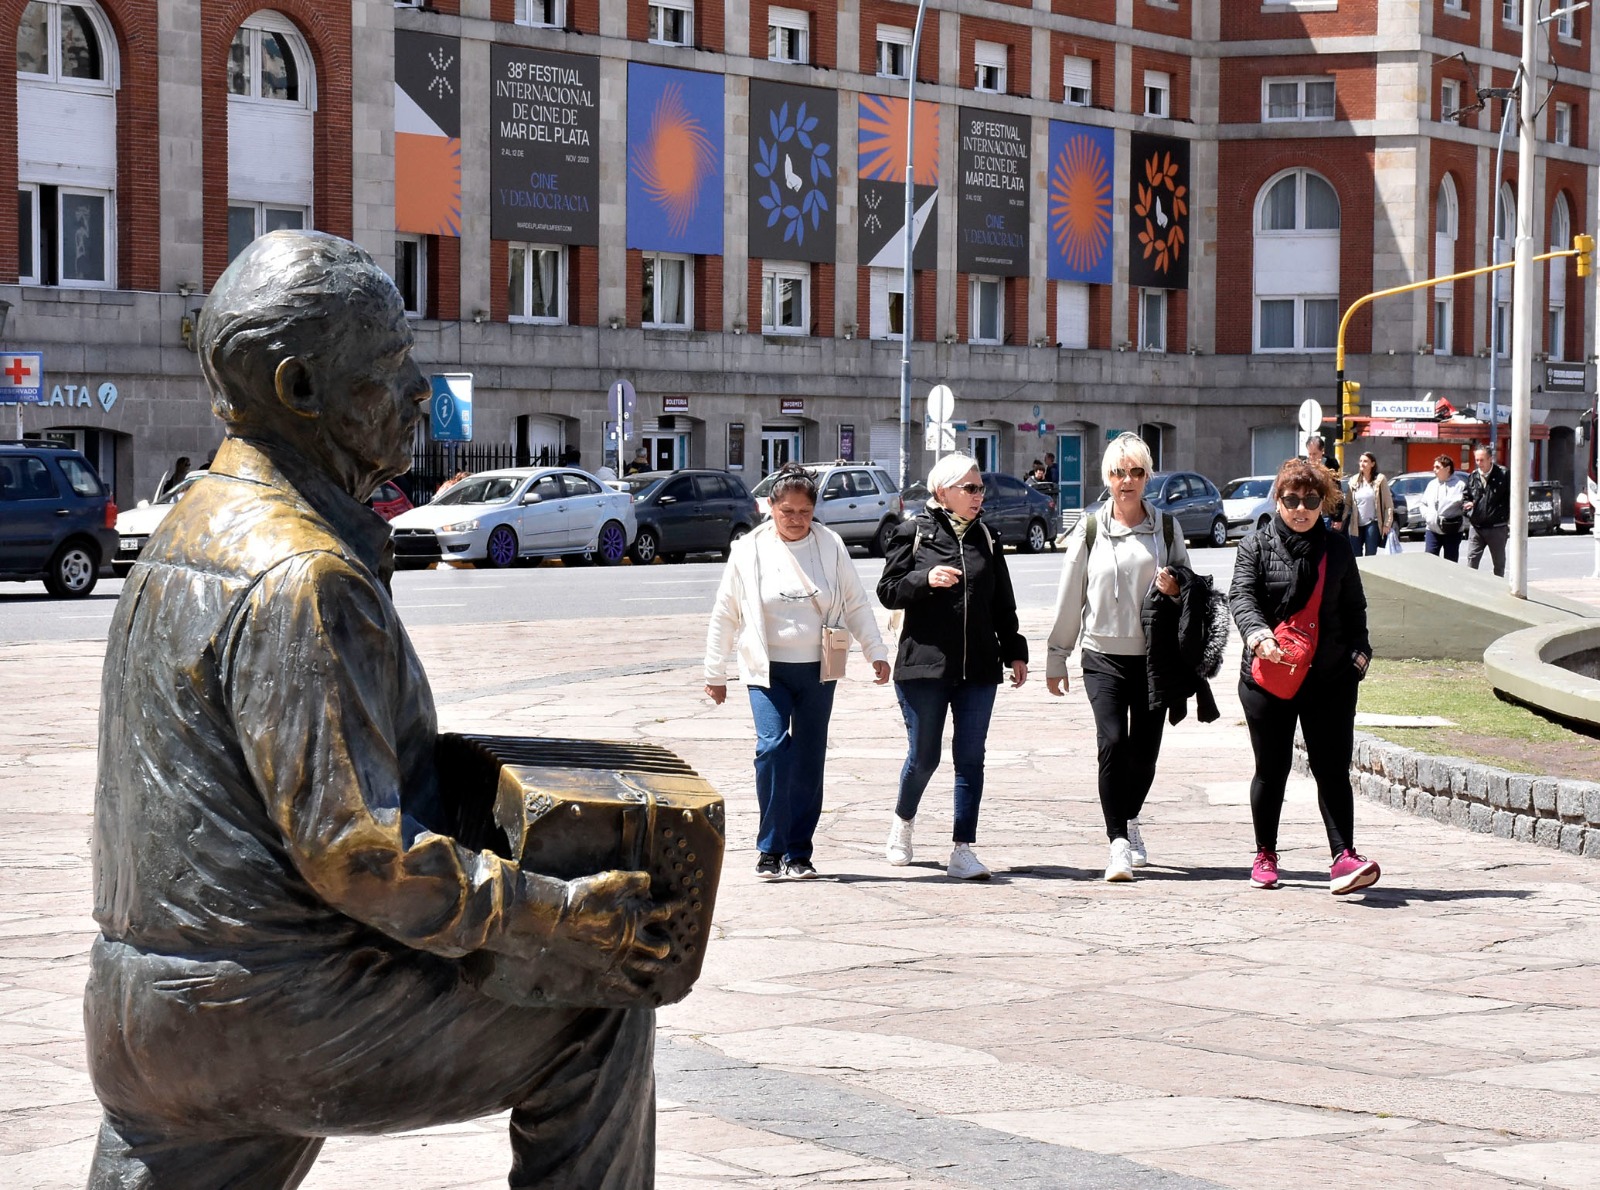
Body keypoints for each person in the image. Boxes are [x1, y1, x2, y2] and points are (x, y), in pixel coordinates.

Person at [85, 231, 669, 1188]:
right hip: (264, 1013)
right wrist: (558, 918)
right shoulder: (304, 574)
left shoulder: (186, 533)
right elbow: (361, 855)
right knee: (598, 1009)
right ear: (300, 389)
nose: (420, 392)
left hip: (140, 1011)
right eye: (390, 365)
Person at [704, 463, 891, 880]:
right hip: (766, 669)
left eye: (804, 512)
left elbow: (856, 602)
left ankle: (798, 851)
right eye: (786, 511)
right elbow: (725, 613)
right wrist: (714, 671)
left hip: (818, 668)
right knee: (772, 749)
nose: (795, 520)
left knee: (808, 758)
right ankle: (769, 847)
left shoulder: (831, 545)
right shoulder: (748, 549)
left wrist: (874, 650)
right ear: (769, 507)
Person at [1229, 456, 1379, 896]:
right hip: (1268, 677)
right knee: (1270, 770)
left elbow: (1355, 608)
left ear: (1322, 502)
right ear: (1278, 499)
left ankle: (1344, 857)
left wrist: (1358, 657)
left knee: (1332, 769)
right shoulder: (1254, 546)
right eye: (1292, 499)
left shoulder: (1336, 548)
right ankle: (1265, 853)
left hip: (1329, 677)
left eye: (1310, 500)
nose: (1301, 509)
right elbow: (1242, 597)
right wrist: (1258, 636)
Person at [877, 453, 1028, 880]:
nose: (979, 496)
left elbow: (1003, 602)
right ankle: (903, 823)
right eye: (971, 488)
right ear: (943, 492)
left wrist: (1015, 650)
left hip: (979, 667)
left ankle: (963, 849)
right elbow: (888, 590)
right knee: (924, 757)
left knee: (971, 758)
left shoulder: (987, 538)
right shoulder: (912, 533)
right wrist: (925, 581)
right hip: (924, 666)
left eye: (981, 489)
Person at [1045, 432, 1189, 881]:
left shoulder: (1166, 527)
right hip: (1101, 654)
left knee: (1144, 754)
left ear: (1148, 476)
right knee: (1112, 743)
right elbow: (1070, 596)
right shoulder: (1089, 529)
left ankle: (1130, 817)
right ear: (1106, 477)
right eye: (1118, 472)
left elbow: (1191, 586)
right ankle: (1118, 844)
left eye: (1136, 472)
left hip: (1152, 658)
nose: (1127, 480)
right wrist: (1056, 655)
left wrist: (1177, 586)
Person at [1464, 445, 1510, 577]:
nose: (1479, 463)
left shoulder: (1503, 474)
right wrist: (1468, 509)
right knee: (1471, 561)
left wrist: (1505, 516)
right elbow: (1466, 496)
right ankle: (1470, 589)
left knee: (1499, 563)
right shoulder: (1473, 476)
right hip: (1477, 526)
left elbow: (1512, 497)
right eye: (1477, 460)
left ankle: (1497, 588)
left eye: (1482, 460)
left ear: (1490, 459)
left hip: (1497, 527)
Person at [1416, 454, 1467, 562]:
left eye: (1437, 467)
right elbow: (1423, 504)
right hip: (1432, 529)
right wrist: (1428, 516)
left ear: (1447, 469)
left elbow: (1465, 506)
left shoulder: (1460, 485)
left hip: (1452, 531)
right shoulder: (1432, 484)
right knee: (1430, 561)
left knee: (1450, 563)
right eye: (1434, 467)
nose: (1434, 470)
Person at [1346, 451, 1394, 557]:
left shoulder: (1380, 480)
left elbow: (1389, 504)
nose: (1362, 464)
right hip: (1356, 524)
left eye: (1365, 461)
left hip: (1372, 522)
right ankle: (1358, 574)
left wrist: (1387, 524)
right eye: (1361, 461)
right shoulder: (1354, 480)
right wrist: (1341, 520)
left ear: (1372, 464)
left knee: (1370, 554)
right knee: (1356, 555)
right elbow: (1347, 503)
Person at [1303, 434, 1347, 531]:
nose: (1311, 457)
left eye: (1314, 454)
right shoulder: (1303, 468)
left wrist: (1337, 518)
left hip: (1325, 513)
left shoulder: (1331, 468)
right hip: (1307, 512)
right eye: (1309, 454)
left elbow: (1337, 494)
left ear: (1322, 451)